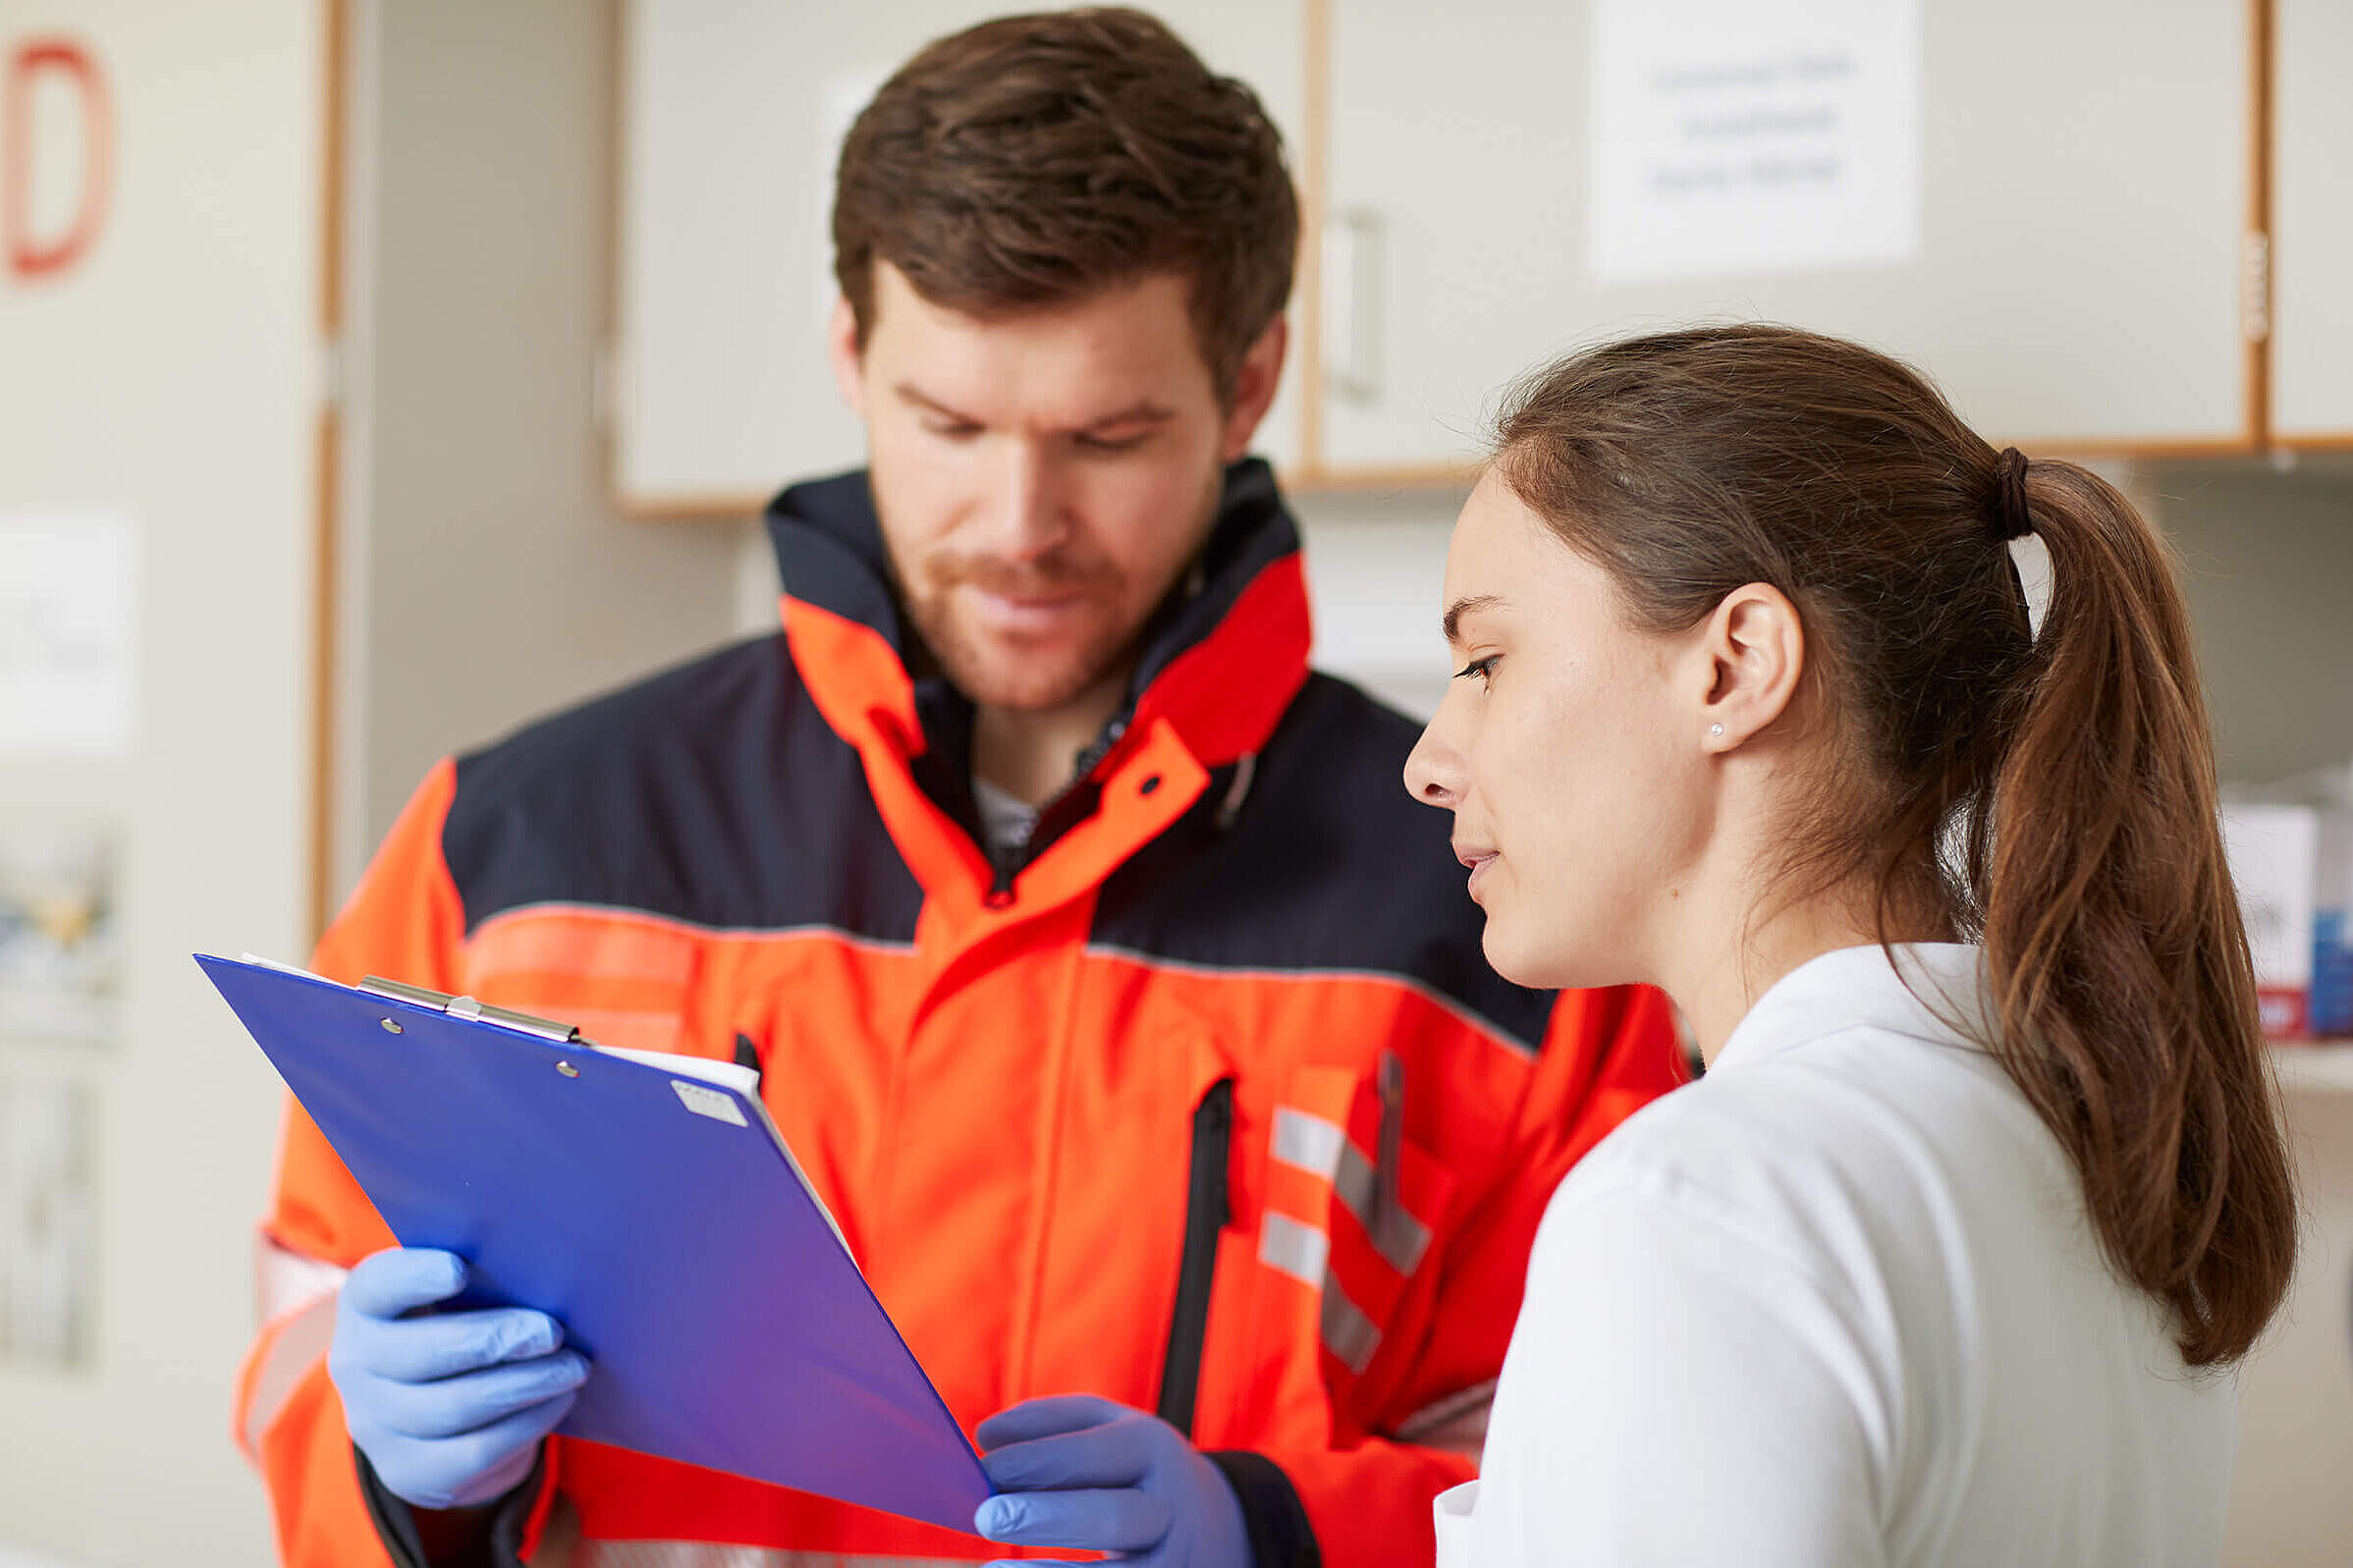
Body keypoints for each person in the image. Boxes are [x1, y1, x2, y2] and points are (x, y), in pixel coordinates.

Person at [234, 11, 1682, 1567]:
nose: (1020, 522)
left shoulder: (1495, 896)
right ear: (852, 357)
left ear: (1250, 381)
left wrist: (1279, 1532)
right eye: (949, 425)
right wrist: (395, 1468)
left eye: (1108, 436)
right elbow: (309, 1326)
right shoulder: (510, 848)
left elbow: (1600, 1479)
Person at [1402, 324, 2299, 1566]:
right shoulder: (2098, 1157)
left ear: (1736, 665)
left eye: (1486, 661)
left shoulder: (1701, 1205)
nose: (1428, 759)